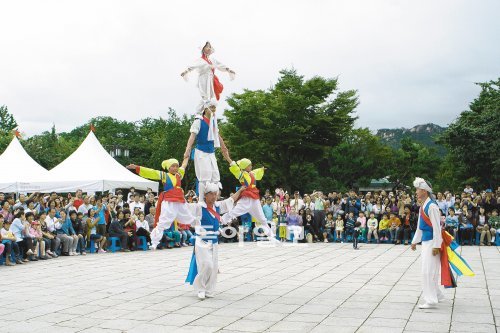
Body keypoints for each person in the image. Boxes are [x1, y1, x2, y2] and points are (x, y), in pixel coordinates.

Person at [185, 183, 245, 299]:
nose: (213, 196)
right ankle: (200, 288)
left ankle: (209, 290)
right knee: (207, 265)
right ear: (205, 195)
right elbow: (184, 207)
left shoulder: (218, 206)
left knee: (213, 268)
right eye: (211, 194)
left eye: (215, 194)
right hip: (202, 241)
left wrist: (241, 190)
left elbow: (231, 200)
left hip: (214, 241)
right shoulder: (199, 207)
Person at [127, 158, 196, 249]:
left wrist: (187, 153)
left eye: (176, 166)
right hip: (169, 201)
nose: (176, 168)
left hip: (179, 201)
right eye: (173, 166)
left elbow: (184, 164)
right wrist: (137, 168)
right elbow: (151, 172)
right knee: (163, 222)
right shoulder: (164, 175)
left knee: (189, 216)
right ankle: (155, 242)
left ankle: (202, 231)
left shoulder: (179, 174)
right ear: (168, 168)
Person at [183, 100, 230, 202]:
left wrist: (223, 147)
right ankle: (201, 200)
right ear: (205, 109)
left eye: (214, 107)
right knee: (204, 177)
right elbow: (192, 136)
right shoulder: (198, 121)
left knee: (215, 176)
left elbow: (217, 135)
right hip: (201, 152)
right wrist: (187, 150)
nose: (213, 109)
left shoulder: (213, 122)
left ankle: (214, 199)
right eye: (211, 107)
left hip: (211, 152)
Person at [221, 158, 277, 242]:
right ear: (245, 167)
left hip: (254, 199)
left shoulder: (252, 173)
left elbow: (257, 171)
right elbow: (235, 167)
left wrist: (262, 169)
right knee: (234, 212)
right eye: (249, 165)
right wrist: (228, 158)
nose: (251, 166)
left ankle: (271, 237)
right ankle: (220, 220)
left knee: (262, 218)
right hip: (246, 198)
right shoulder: (241, 174)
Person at [411, 177, 445, 309]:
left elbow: (437, 228)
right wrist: (414, 242)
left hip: (432, 242)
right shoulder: (423, 206)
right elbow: (420, 227)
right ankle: (437, 294)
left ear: (424, 191)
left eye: (417, 190)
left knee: (428, 271)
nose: (416, 192)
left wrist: (437, 245)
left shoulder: (432, 206)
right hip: (426, 242)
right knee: (430, 270)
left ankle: (430, 300)